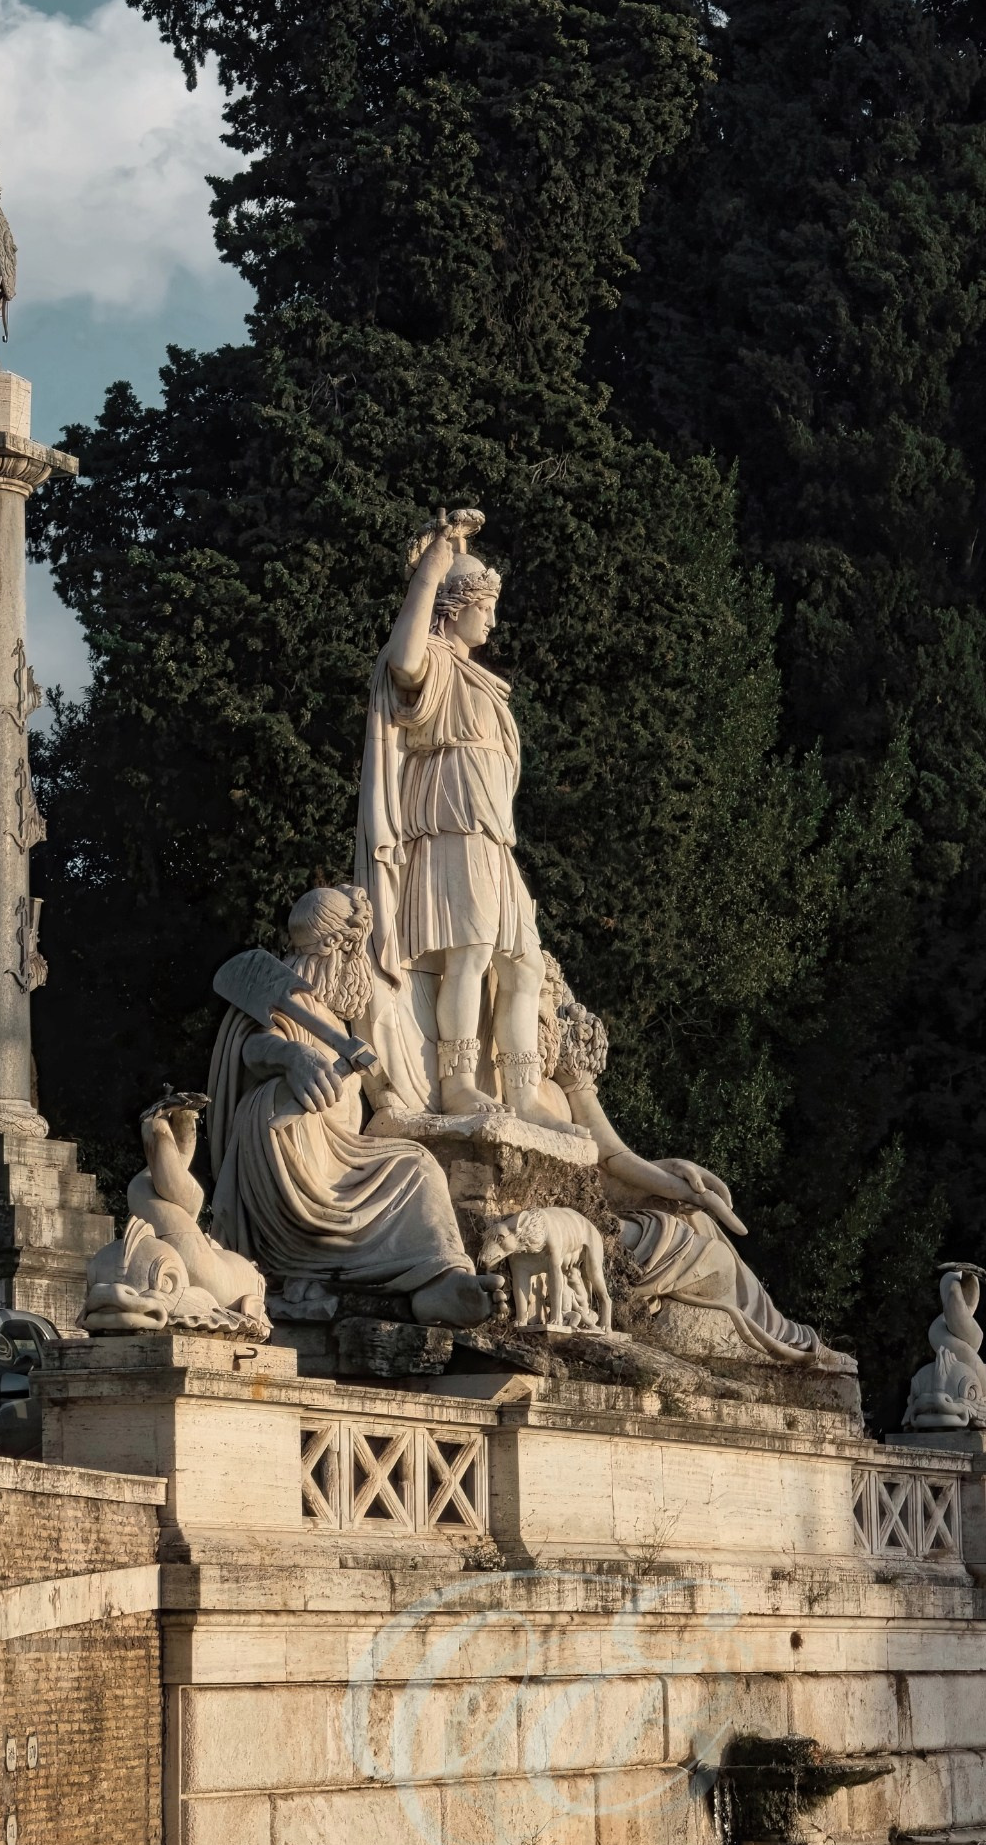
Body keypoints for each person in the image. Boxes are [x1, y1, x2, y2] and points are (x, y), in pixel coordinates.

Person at [535, 957, 854, 1373]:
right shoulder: (506, 1081)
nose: (542, 1019)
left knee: (700, 1221)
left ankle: (786, 1337)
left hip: (591, 1215)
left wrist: (675, 1181)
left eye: (545, 1003)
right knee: (699, 1248)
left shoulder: (560, 1085)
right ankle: (779, 1349)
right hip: (564, 1227)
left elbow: (612, 1157)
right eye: (532, 1000)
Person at [206, 885, 496, 1328]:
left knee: (416, 1167)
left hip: (339, 1152)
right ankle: (417, 1278)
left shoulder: (329, 1015)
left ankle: (443, 1278)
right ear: (334, 946)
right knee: (415, 1165)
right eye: (355, 949)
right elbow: (255, 1046)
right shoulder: (290, 997)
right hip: (295, 1149)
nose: (357, 961)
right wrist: (292, 1057)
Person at [356, 509, 548, 1123]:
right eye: (482, 607)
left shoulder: (482, 679)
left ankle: (524, 1095)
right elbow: (404, 661)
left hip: (492, 837)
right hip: (447, 830)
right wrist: (432, 568)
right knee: (468, 954)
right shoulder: (434, 661)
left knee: (525, 964)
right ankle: (459, 1080)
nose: (491, 619)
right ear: (451, 608)